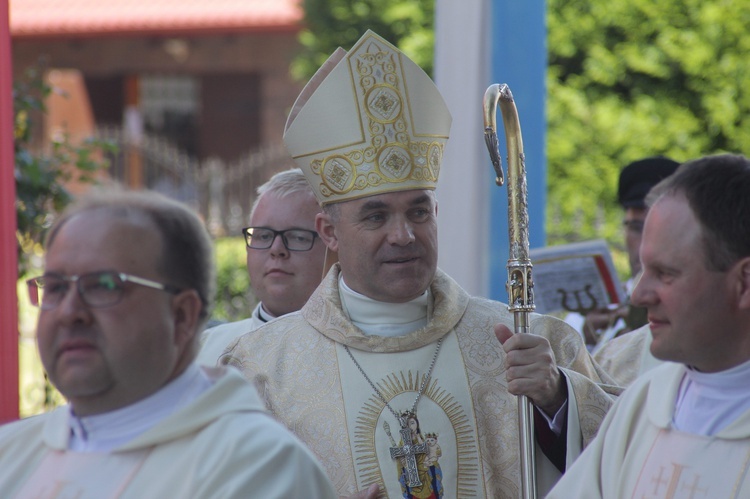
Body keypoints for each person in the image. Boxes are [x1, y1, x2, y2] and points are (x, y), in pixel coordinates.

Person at [222, 30, 619, 498]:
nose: (404, 234)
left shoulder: (531, 342)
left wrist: (557, 400)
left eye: (418, 211)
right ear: (329, 232)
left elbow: (638, 454)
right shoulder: (264, 369)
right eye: (375, 215)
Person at [0, 189, 336, 498]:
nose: (70, 312)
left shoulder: (257, 468)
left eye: (103, 285)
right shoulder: (10, 453)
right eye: (56, 287)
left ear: (181, 316)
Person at [547, 153, 750, 498]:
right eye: (642, 270)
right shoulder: (643, 403)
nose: (639, 295)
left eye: (665, 274)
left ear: (743, 283)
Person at [197, 168, 326, 365]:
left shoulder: (356, 354)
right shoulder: (207, 350)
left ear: (333, 244)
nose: (276, 249)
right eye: (263, 236)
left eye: (298, 237)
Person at [569, 156, 679, 351]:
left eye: (657, 229)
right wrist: (587, 340)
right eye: (637, 228)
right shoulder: (587, 314)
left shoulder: (693, 307)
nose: (646, 242)